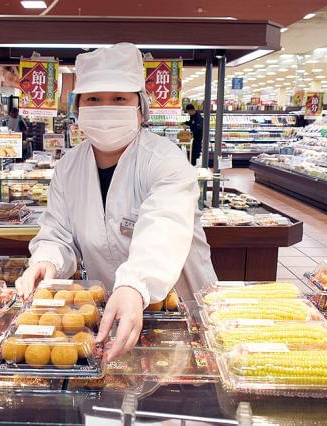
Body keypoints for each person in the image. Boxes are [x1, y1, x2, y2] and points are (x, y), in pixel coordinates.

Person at [16, 43, 216, 361]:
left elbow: (163, 226)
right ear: (78, 107)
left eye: (119, 98)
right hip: (112, 314)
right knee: (120, 394)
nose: (106, 107)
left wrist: (135, 285)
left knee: (175, 395)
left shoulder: (165, 159)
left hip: (180, 311)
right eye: (94, 98)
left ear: (141, 107)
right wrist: (48, 260)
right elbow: (58, 232)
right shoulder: (69, 167)